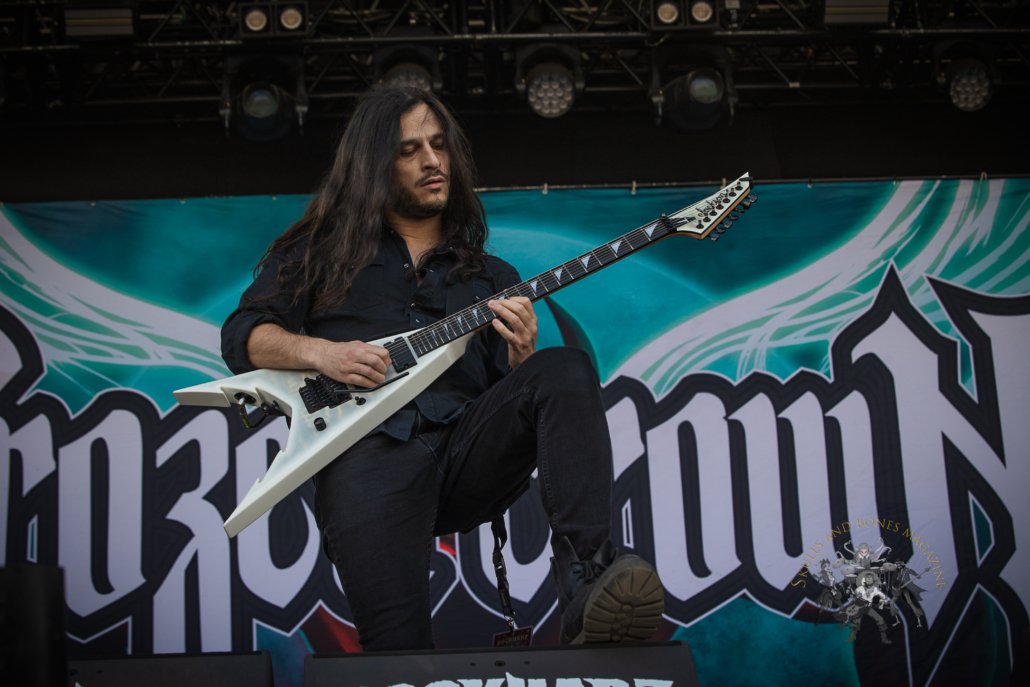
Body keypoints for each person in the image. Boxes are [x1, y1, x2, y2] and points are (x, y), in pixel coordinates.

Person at [220, 85, 664, 651]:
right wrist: (324, 354)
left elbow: (511, 401)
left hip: (464, 452)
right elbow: (244, 336)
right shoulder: (319, 252)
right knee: (399, 659)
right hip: (366, 461)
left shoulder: (492, 278)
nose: (432, 161)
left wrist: (520, 358)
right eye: (409, 150)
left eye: (438, 145)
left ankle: (587, 581)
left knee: (563, 368)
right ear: (374, 165)